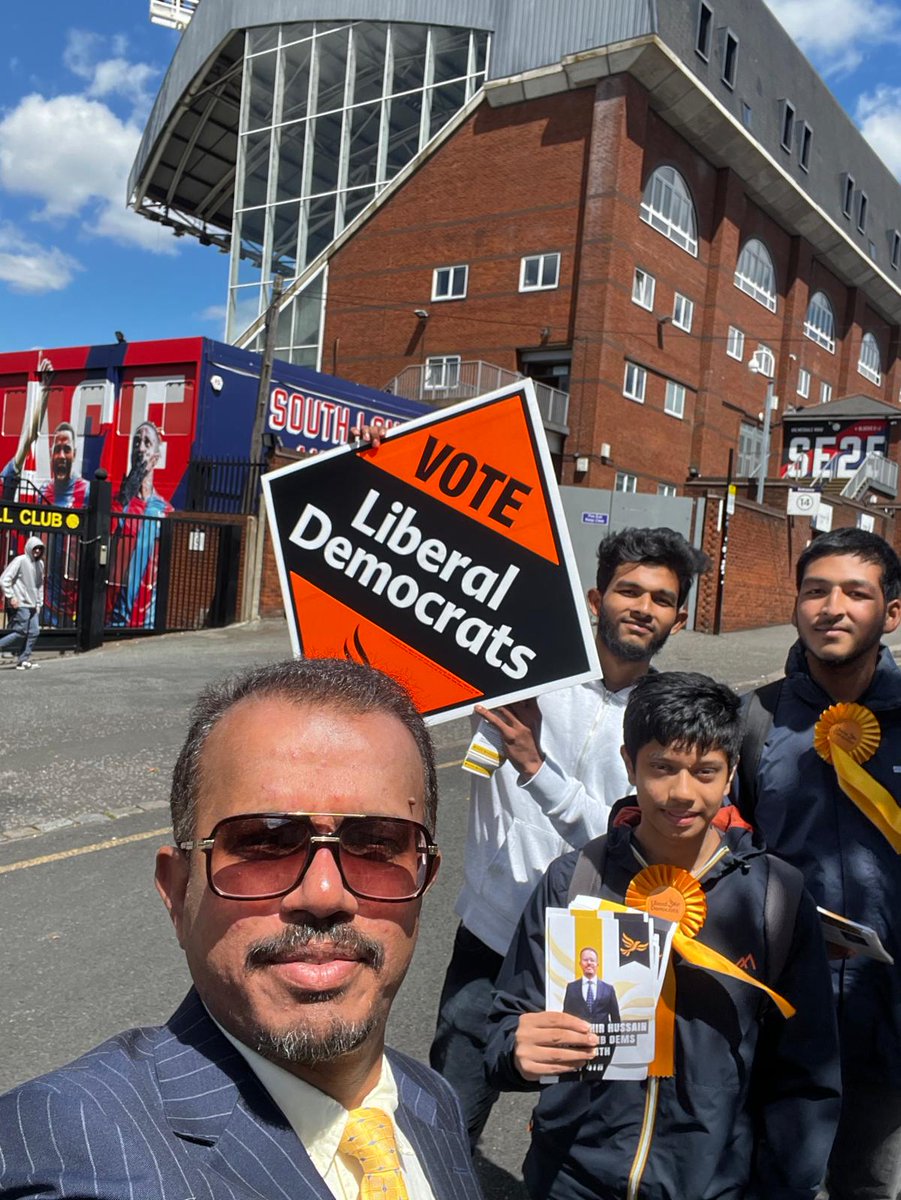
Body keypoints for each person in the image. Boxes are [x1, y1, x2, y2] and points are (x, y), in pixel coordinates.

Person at [0, 658, 484, 1200]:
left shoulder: (430, 1098)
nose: (324, 895)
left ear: (424, 878)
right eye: (263, 842)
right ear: (177, 889)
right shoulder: (71, 1147)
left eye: (377, 844)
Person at [485, 671, 841, 1200]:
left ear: (731, 772)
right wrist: (516, 1050)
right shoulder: (574, 878)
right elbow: (503, 1024)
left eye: (705, 771)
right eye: (662, 768)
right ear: (629, 762)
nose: (681, 793)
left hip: (711, 1184)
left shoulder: (775, 897)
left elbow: (806, 1071)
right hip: (573, 1178)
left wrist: (784, 1186)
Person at [430, 526, 710, 1147]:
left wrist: (534, 766)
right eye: (628, 591)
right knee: (447, 1118)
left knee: (582, 1137)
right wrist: (373, 461)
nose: (643, 608)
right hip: (495, 932)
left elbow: (632, 835)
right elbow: (416, 636)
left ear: (679, 619)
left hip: (604, 946)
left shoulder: (665, 718)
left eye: (661, 600)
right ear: (594, 598)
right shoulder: (521, 666)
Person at [734, 527, 901, 1200]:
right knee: (776, 1177)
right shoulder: (753, 717)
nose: (831, 607)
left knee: (867, 1182)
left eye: (855, 593)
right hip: (783, 1004)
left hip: (888, 1009)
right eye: (815, 590)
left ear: (889, 612)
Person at [108, 420, 173, 628]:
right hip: (112, 616)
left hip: (147, 618)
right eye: (136, 442)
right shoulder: (118, 502)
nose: (140, 448)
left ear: (157, 456)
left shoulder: (165, 510)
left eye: (147, 442)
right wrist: (125, 497)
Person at [0, 536, 45, 669]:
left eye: (40, 549)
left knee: (35, 631)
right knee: (21, 631)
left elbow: (39, 585)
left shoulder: (40, 564)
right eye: (35, 548)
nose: (37, 551)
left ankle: (24, 659)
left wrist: (39, 603)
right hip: (22, 604)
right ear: (29, 548)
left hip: (32, 604)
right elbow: (4, 579)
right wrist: (11, 597)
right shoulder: (20, 560)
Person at [561, 948, 620, 1024]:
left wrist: (617, 1035)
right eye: (585, 960)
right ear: (580, 964)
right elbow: (566, 1016)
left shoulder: (608, 989)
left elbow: (616, 1019)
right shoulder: (571, 988)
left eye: (592, 960)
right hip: (579, 1034)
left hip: (603, 1035)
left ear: (597, 964)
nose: (589, 963)